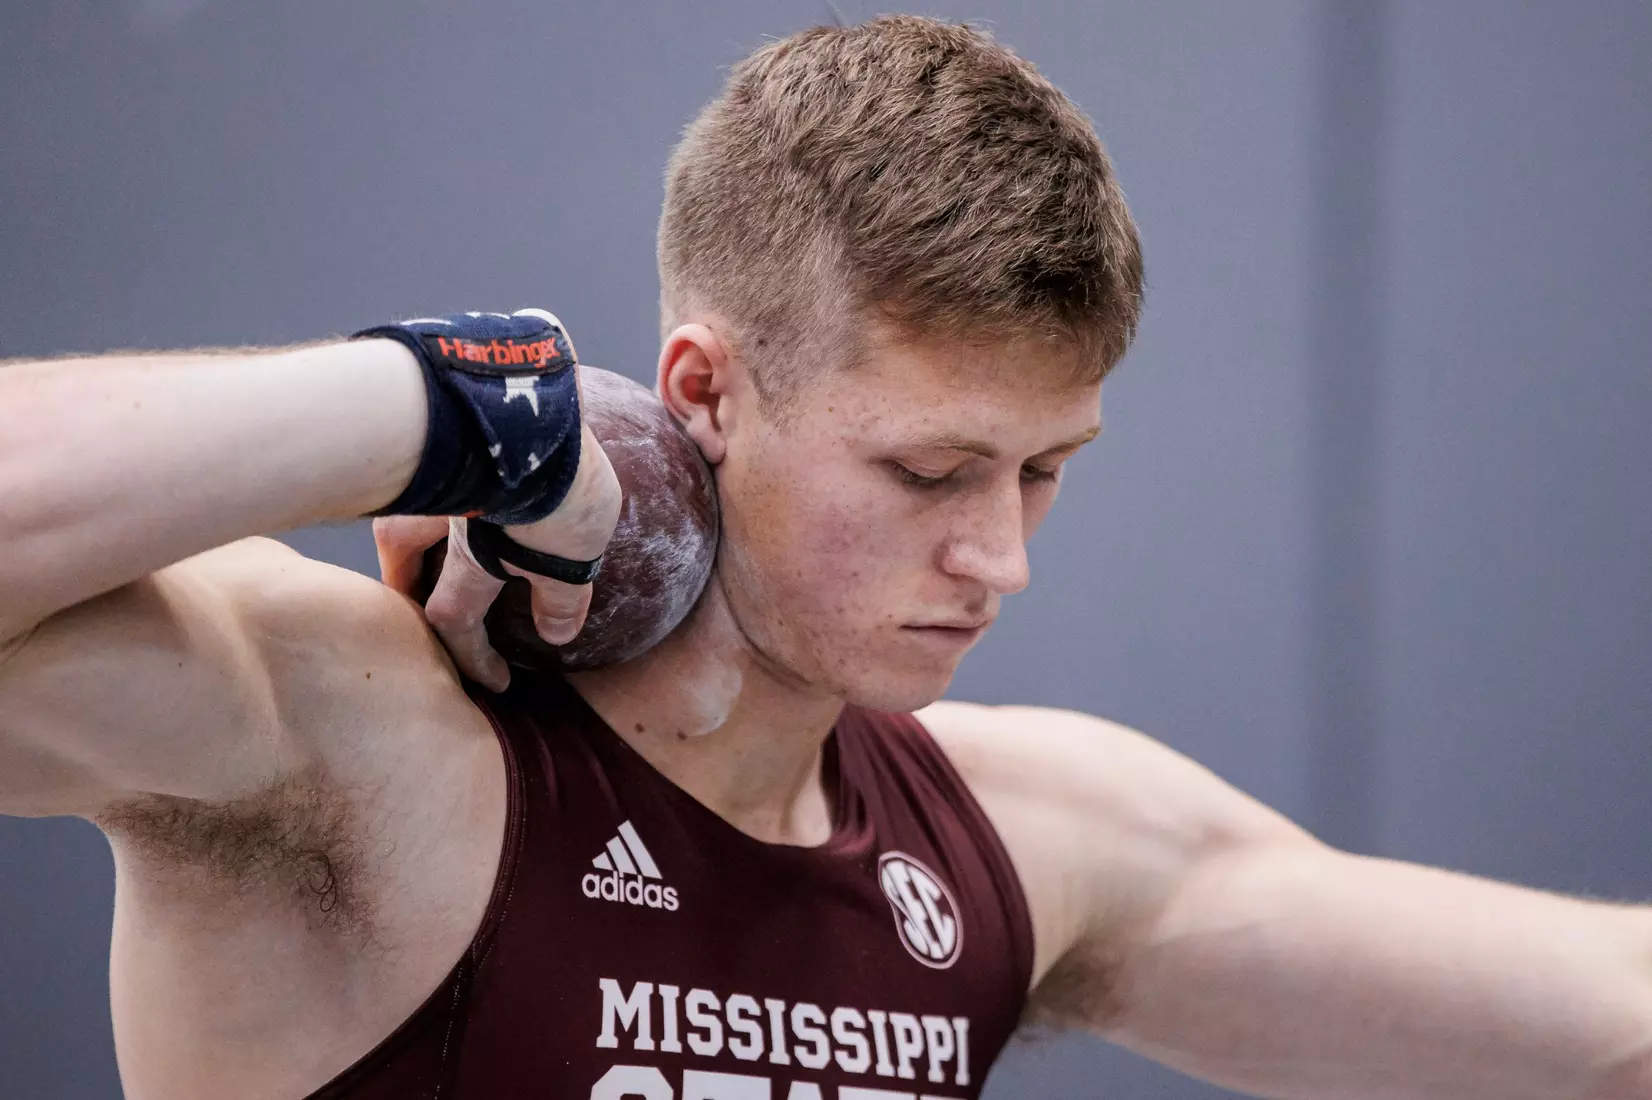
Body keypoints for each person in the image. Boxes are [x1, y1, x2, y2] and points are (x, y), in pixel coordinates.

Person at [1, 14, 1647, 1100]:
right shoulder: (350, 743)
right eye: (929, 472)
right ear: (707, 390)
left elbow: (1609, 1025)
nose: (998, 558)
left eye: (1045, 473)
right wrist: (430, 405)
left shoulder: (1030, 841)